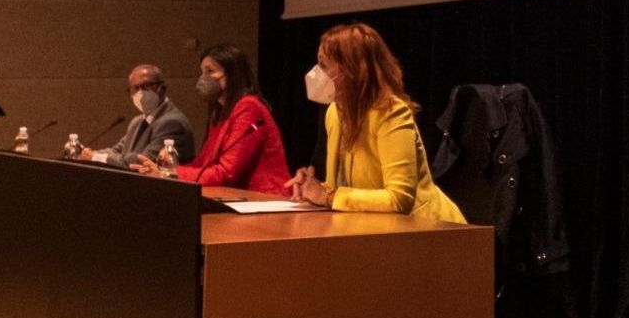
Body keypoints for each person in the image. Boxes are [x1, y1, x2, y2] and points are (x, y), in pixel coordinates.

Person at [285, 23, 466, 223]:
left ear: (351, 70)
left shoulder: (391, 113)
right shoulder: (334, 113)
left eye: (324, 65)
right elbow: (346, 187)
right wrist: (313, 186)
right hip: (375, 231)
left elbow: (399, 198)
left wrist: (327, 197)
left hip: (431, 230)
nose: (316, 72)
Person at [131, 43, 291, 192]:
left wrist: (170, 174)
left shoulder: (249, 108)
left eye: (210, 71)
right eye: (202, 72)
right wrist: (165, 171)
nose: (203, 78)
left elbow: (227, 173)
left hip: (266, 198)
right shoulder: (220, 112)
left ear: (232, 74)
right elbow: (203, 163)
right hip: (239, 198)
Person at [79, 64, 196, 167]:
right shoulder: (138, 121)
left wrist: (95, 157)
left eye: (146, 86)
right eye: (135, 88)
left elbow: (142, 161)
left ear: (162, 88)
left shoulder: (172, 122)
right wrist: (89, 154)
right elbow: (119, 150)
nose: (140, 93)